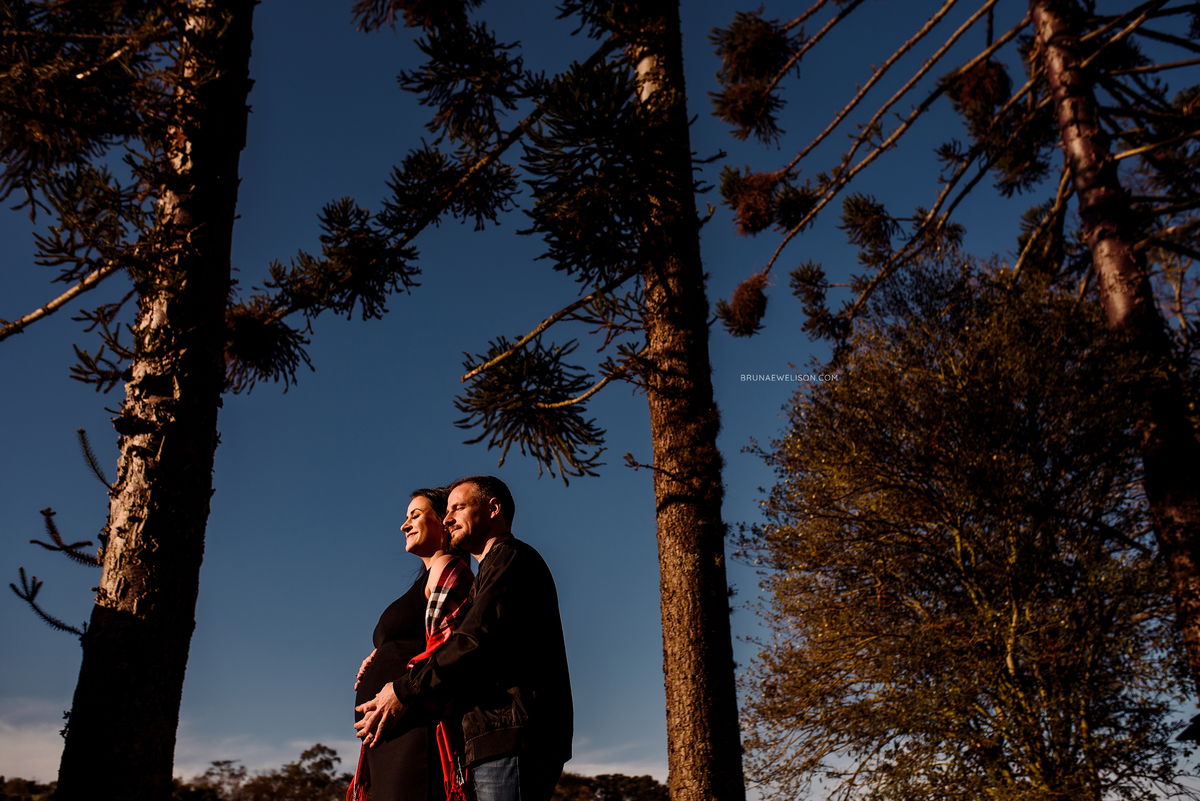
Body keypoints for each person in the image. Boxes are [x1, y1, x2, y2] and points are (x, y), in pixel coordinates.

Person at [355, 475, 573, 801]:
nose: (448, 518)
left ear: (493, 509)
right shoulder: (489, 571)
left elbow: (473, 641)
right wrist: (387, 654)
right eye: (446, 511)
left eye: (457, 508)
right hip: (492, 738)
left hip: (509, 734)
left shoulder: (510, 557)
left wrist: (401, 689)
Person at [352, 487, 473, 801]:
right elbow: (419, 636)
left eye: (415, 515)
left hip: (414, 727)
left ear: (444, 522)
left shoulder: (446, 567)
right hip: (390, 734)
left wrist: (399, 686)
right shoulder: (427, 578)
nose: (404, 525)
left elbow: (450, 645)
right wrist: (380, 655)